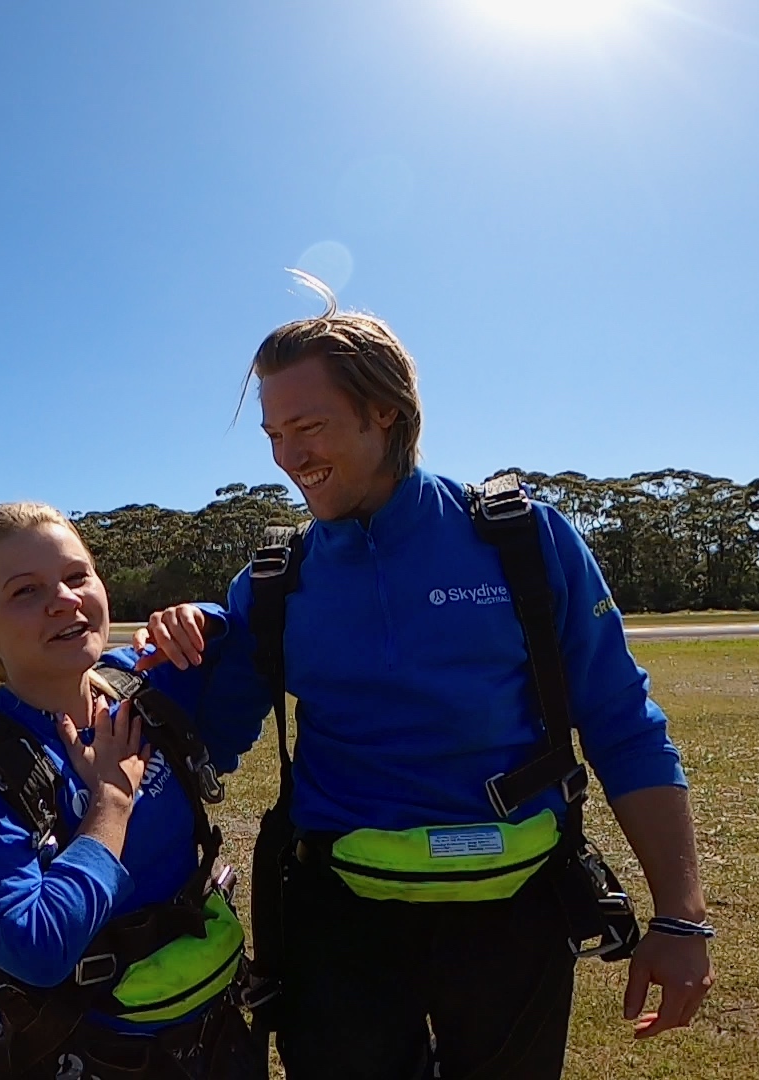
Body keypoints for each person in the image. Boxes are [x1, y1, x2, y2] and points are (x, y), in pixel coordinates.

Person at [136, 278, 714, 1079]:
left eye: (309, 426)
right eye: (274, 434)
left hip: (515, 912)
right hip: (338, 918)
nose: (289, 457)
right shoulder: (277, 577)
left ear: (387, 413)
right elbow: (202, 741)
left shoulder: (520, 539)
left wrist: (682, 919)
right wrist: (191, 629)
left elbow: (624, 724)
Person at [0, 502, 265, 1080]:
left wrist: (196, 618)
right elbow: (37, 948)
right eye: (26, 592)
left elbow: (246, 636)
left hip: (216, 1037)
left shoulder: (142, 684)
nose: (65, 600)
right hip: (83, 1055)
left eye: (78, 577)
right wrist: (110, 805)